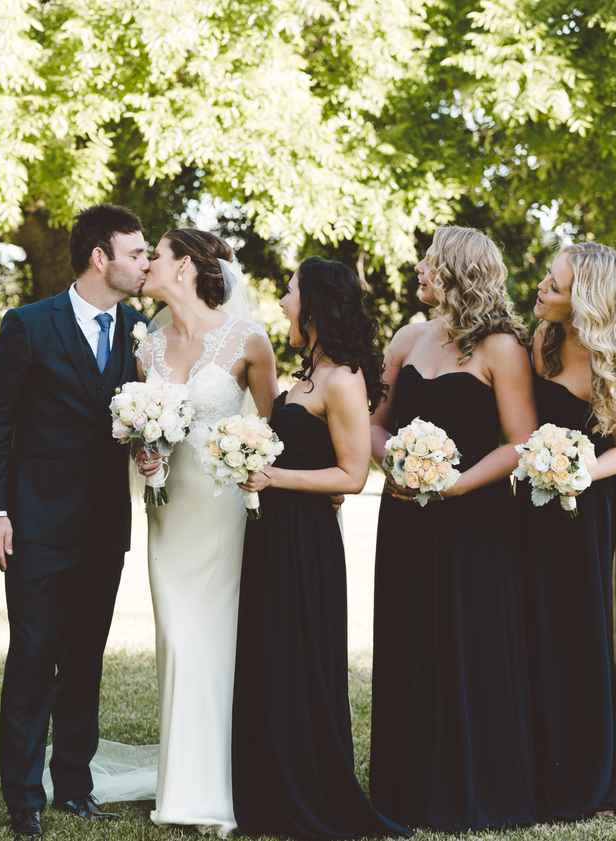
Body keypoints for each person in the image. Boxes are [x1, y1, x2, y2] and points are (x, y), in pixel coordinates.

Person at [0, 204, 150, 838]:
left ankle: (74, 784)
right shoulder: (27, 325)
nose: (145, 263)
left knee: (86, 657)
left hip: (106, 525)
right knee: (33, 654)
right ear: (99, 258)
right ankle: (23, 795)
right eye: (135, 253)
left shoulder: (140, 331)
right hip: (35, 523)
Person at [368, 225, 538, 832]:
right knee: (408, 638)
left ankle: (475, 784)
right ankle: (404, 787)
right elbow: (374, 423)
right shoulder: (408, 338)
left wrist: (455, 484)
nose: (419, 267)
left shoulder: (501, 348)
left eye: (431, 261)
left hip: (476, 520)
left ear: (460, 272)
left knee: (470, 641)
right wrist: (394, 462)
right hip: (405, 515)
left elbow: (520, 442)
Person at [232, 257, 409, 840]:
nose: (282, 302)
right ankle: (267, 790)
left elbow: (353, 475)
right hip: (271, 538)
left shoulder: (343, 379)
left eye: (289, 292)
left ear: (315, 305)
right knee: (269, 660)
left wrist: (273, 478)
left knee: (301, 662)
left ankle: (308, 794)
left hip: (307, 546)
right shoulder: (306, 373)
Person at [133, 228, 277, 836]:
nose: (146, 265)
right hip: (170, 511)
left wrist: (252, 463)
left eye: (156, 256)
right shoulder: (148, 349)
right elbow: (141, 430)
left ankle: (216, 786)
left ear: (186, 267)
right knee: (178, 636)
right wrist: (144, 453)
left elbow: (275, 428)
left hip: (224, 510)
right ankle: (181, 783)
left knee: (216, 640)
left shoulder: (248, 339)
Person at [524, 242, 616, 821]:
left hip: (589, 512)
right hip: (531, 509)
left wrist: (579, 470)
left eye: (555, 284)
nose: (542, 289)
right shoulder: (539, 345)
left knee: (582, 629)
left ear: (587, 300)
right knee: (535, 625)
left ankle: (588, 769)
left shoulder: (613, 368)